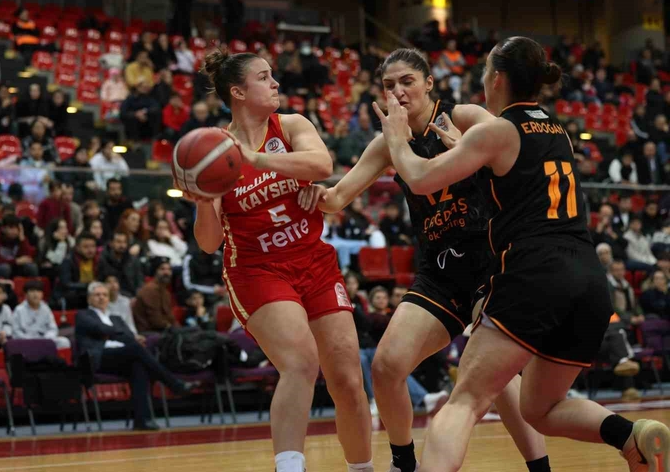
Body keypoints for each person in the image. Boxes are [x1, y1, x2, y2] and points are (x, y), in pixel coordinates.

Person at [374, 36, 669, 471]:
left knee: (463, 402)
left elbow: (419, 178)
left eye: (484, 73)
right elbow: (515, 178)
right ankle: (630, 436)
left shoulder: (495, 129)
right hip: (588, 279)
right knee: (540, 408)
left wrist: (397, 140)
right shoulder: (558, 129)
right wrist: (464, 151)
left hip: (534, 271)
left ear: (497, 78)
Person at [298, 47, 549, 472]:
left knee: (494, 377)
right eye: (388, 85)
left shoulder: (466, 116)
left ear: (429, 84)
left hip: (491, 263)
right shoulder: (388, 142)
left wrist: (466, 148)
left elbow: (521, 157)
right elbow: (338, 197)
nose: (397, 91)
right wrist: (311, 193)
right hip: (439, 272)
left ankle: (540, 468)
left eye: (407, 81)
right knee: (386, 366)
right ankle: (404, 463)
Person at [177, 48, 373, 472]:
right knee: (300, 362)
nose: (275, 83)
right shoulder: (214, 149)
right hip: (257, 269)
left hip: (314, 261)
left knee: (347, 380)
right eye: (264, 77)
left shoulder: (291, 125)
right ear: (238, 92)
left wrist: (255, 159)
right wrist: (204, 200)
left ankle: (363, 468)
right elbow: (208, 243)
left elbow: (321, 164)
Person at [75, 282, 197, 431]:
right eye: (97, 295)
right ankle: (174, 383)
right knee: (136, 349)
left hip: (121, 356)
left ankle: (142, 420)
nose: (101, 298)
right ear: (89, 299)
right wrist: (119, 334)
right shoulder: (83, 315)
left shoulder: (116, 318)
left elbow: (128, 336)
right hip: (97, 358)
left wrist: (118, 335)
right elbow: (100, 328)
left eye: (104, 295)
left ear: (108, 299)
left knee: (138, 366)